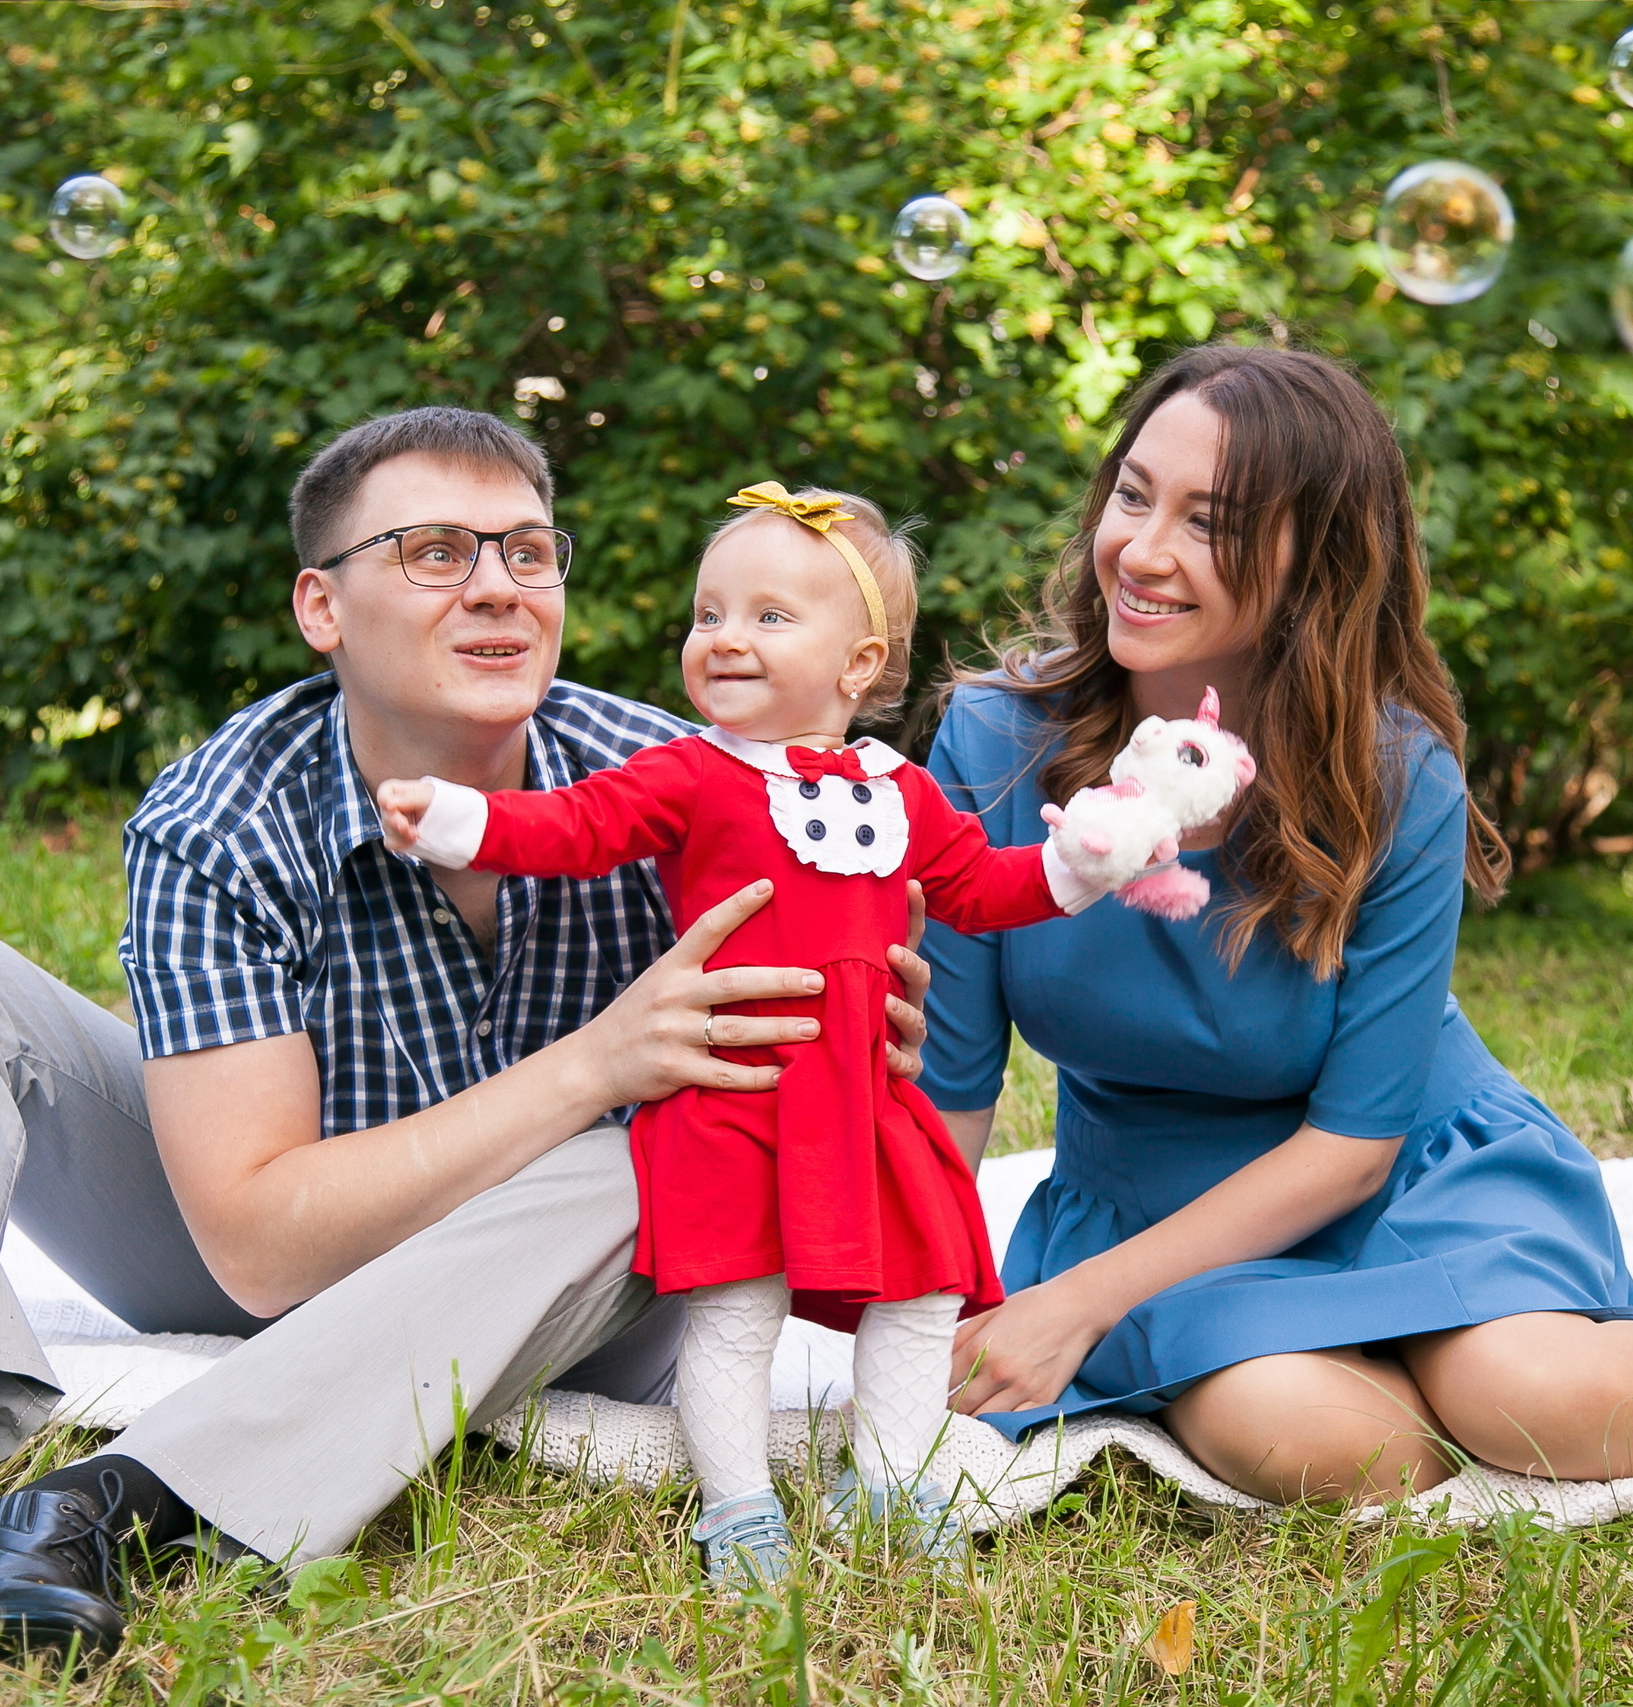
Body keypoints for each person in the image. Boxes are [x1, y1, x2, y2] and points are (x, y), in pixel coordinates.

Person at [0, 408, 935, 1659]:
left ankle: (112, 1506)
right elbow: (255, 1248)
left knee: (653, 1151)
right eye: (435, 552)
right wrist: (594, 1062)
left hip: (592, 1286)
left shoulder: (687, 781)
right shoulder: (224, 810)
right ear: (323, 608)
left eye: (528, 551)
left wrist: (868, 1030)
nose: (498, 588)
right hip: (299, 1242)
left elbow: (843, 1065)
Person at [919, 343, 1633, 1503]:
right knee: (1318, 1443)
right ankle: (1420, 1361)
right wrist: (924, 1314)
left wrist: (1085, 1306)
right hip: (1150, 1205)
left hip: (1406, 1174)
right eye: (1134, 495)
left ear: (1319, 560)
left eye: (1212, 522)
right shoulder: (990, 745)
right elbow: (949, 1089)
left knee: (1531, 1394)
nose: (1142, 552)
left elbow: (1355, 1142)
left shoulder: (1391, 773)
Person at [380, 482, 1116, 1584]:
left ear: (858, 663)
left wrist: (1085, 862)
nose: (723, 638)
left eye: (769, 617)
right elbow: (577, 827)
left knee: (915, 1294)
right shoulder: (694, 772)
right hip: (738, 1095)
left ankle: (892, 1479)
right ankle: (737, 1508)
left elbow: (980, 888)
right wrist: (456, 816)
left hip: (863, 1101)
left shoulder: (900, 792)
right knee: (737, 1307)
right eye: (708, 613)